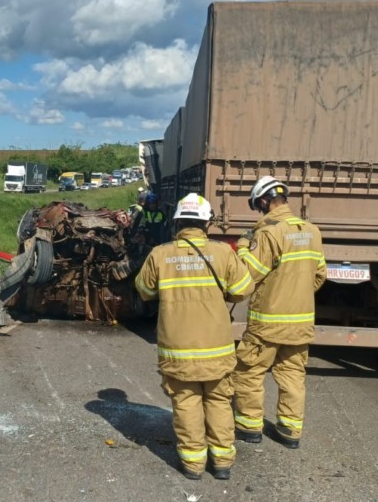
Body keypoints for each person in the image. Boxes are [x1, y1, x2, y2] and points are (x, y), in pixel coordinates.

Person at [134, 193, 253, 481]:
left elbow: (144, 291)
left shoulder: (160, 254)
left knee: (186, 402)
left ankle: (193, 464)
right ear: (207, 223)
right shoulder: (223, 253)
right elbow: (242, 289)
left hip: (178, 349)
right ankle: (222, 462)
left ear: (177, 223)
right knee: (219, 401)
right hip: (216, 347)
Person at [231, 176, 326, 449]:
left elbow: (250, 275)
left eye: (257, 206)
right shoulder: (312, 231)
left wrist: (242, 248)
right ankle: (290, 431)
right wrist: (297, 297)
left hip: (268, 322)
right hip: (301, 322)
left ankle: (249, 427)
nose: (258, 211)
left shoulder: (268, 234)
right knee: (293, 374)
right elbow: (320, 275)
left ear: (264, 200)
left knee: (249, 371)